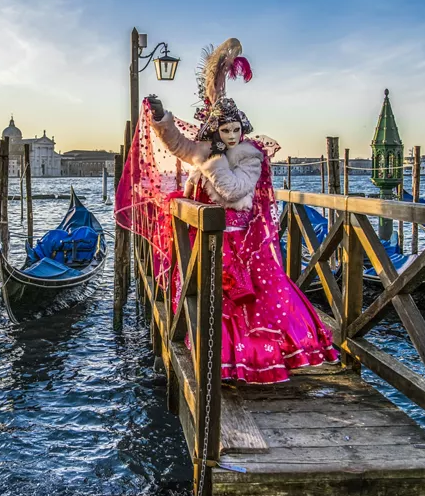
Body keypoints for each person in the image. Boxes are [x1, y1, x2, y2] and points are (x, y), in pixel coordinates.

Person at [131, 38, 338, 384]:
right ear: (215, 130)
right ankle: (217, 359)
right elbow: (179, 145)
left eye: (235, 129)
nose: (231, 134)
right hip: (208, 237)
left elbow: (233, 190)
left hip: (241, 244)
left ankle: (251, 362)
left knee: (249, 304)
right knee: (207, 302)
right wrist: (161, 118)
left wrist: (211, 161)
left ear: (242, 130)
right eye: (224, 130)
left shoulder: (250, 156)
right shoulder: (207, 149)